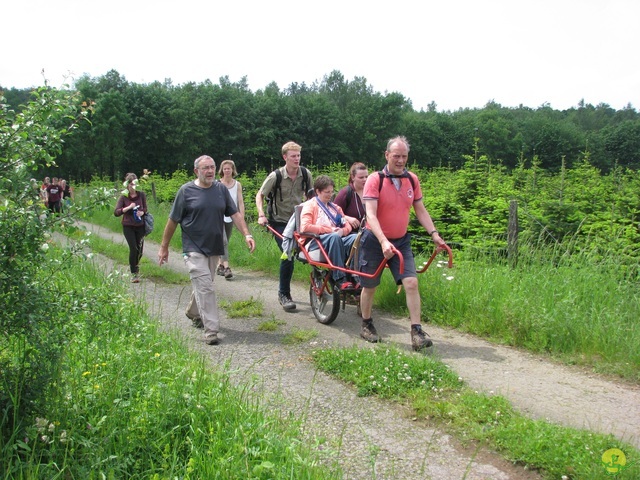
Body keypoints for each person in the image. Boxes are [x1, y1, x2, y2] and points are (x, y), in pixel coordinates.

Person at [158, 155, 256, 346]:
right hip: (193, 248)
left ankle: (193, 312)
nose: (210, 171)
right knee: (206, 286)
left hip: (214, 247)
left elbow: (234, 213)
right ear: (196, 171)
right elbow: (172, 221)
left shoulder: (220, 189)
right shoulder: (186, 191)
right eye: (205, 168)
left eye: (212, 167)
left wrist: (247, 234)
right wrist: (164, 247)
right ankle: (211, 329)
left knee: (204, 283)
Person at [358, 136, 445, 351]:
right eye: (396, 156)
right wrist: (383, 241)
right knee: (370, 286)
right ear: (387, 155)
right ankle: (367, 324)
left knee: (412, 283)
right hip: (374, 240)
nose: (400, 160)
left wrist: (434, 233)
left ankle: (417, 331)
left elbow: (420, 210)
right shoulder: (375, 179)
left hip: (401, 241)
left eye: (404, 156)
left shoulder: (412, 180)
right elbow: (371, 214)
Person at [256, 141, 313, 311]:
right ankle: (284, 294)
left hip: (299, 221)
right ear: (285, 157)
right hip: (280, 222)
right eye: (293, 156)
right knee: (287, 253)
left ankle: (320, 288)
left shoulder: (305, 173)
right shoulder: (276, 176)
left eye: (298, 155)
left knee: (316, 250)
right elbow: (260, 195)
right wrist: (261, 215)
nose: (297, 159)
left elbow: (311, 196)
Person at [299, 175, 359, 290]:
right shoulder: (310, 205)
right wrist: (330, 230)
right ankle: (340, 278)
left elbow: (347, 225)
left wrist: (343, 231)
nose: (330, 195)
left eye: (331, 192)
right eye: (327, 192)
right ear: (318, 191)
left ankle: (354, 275)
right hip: (315, 241)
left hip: (335, 237)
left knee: (356, 238)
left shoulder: (336, 208)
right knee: (334, 237)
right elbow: (305, 227)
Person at [114, 173, 148, 283]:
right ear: (127, 185)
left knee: (140, 250)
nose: (133, 187)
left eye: (135, 184)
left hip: (140, 226)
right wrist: (128, 207)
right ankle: (134, 273)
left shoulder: (141, 195)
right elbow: (116, 212)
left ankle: (136, 266)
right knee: (133, 248)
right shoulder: (123, 197)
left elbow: (145, 208)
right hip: (128, 226)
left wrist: (142, 213)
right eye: (131, 185)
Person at [216, 159, 245, 280]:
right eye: (225, 168)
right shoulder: (217, 183)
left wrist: (241, 218)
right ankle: (227, 267)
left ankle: (220, 265)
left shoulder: (237, 184)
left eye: (229, 168)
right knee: (223, 241)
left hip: (231, 216)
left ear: (233, 170)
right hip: (218, 216)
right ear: (222, 170)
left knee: (225, 240)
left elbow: (240, 202)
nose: (227, 171)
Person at [333, 162, 368, 229]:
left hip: (369, 232)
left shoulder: (371, 192)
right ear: (352, 177)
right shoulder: (345, 193)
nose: (365, 180)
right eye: (361, 177)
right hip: (351, 234)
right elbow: (333, 214)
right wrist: (347, 218)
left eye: (366, 177)